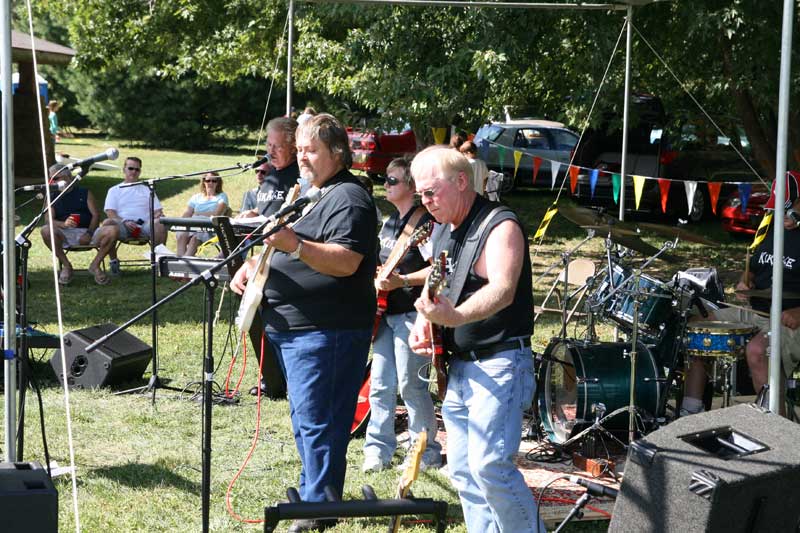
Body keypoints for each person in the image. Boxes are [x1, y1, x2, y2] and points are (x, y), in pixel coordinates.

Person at [231, 113, 377, 533]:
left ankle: (317, 509)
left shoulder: (348, 197)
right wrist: (252, 266)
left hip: (327, 331)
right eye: (299, 149)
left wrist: (293, 244)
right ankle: (317, 499)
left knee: (320, 423)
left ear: (337, 152)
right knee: (307, 422)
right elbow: (280, 246)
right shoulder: (312, 193)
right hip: (296, 330)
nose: (302, 157)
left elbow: (346, 261)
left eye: (311, 150)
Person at [408, 146, 544, 533]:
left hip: (500, 362)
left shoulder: (500, 225)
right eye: (420, 195)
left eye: (431, 192)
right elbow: (438, 287)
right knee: (465, 472)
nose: (426, 202)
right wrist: (425, 320)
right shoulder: (445, 232)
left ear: (462, 181)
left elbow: (503, 289)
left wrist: (456, 316)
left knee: (491, 468)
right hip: (461, 365)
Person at [682, 173, 800, 415]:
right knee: (697, 326)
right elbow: (755, 271)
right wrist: (745, 282)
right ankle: (690, 410)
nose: (782, 214)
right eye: (777, 207)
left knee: (757, 351)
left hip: (790, 320)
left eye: (788, 209)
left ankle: (776, 427)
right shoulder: (769, 229)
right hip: (756, 310)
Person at [361, 157, 442, 474]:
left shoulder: (424, 223)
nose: (386, 184)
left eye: (392, 180)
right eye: (385, 178)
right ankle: (377, 451)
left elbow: (439, 269)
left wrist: (403, 281)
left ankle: (426, 452)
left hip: (412, 314)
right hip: (385, 313)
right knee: (380, 385)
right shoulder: (390, 221)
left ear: (410, 185)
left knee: (411, 386)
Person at [89, 157, 166, 284]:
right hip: (122, 225)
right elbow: (110, 212)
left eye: (137, 169)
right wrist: (124, 221)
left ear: (140, 172)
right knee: (108, 223)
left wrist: (158, 215)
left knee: (160, 223)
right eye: (130, 168)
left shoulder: (147, 189)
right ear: (124, 169)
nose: (133, 172)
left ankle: (158, 262)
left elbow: (157, 210)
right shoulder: (115, 190)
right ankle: (113, 262)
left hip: (144, 226)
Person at [40, 163, 100, 285]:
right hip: (64, 233)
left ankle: (95, 265)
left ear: (68, 178)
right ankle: (67, 266)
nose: (52, 182)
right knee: (45, 230)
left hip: (87, 231)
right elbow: (48, 220)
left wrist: (89, 233)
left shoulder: (84, 192)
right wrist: (63, 224)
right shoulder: (51, 195)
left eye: (56, 178)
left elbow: (96, 215)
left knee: (111, 230)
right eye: (50, 179)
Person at [238, 117, 301, 219]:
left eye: (277, 146)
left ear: (293, 148)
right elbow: (268, 204)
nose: (271, 151)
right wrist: (254, 212)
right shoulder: (271, 172)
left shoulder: (301, 176)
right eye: (269, 144)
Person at [175, 172, 230, 256]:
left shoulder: (222, 196)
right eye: (208, 181)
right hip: (193, 223)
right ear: (204, 182)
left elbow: (217, 214)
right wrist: (179, 223)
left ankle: (185, 262)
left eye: (214, 181)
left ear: (218, 183)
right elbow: (188, 212)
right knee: (181, 234)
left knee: (195, 238)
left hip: (209, 226)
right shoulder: (196, 197)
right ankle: (179, 261)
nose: (211, 183)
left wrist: (197, 213)